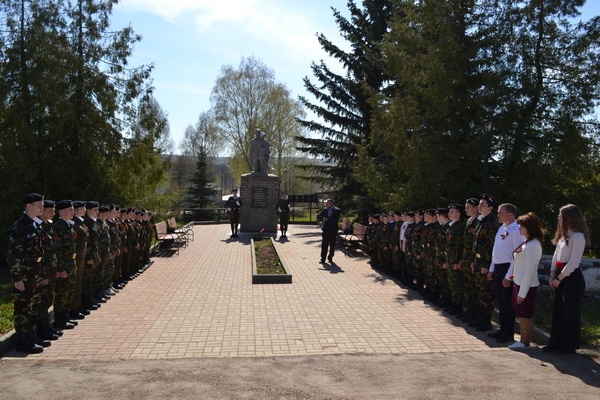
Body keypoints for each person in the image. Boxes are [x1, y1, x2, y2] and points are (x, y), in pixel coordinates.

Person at [544, 204, 590, 355]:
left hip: (571, 277)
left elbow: (573, 262)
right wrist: (552, 275)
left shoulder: (578, 236)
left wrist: (559, 278)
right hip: (559, 274)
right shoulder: (563, 237)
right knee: (558, 310)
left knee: (570, 312)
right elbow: (556, 257)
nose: (558, 218)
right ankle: (555, 342)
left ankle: (568, 345)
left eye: (561, 215)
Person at [7, 193, 46, 353]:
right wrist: (17, 278)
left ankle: (30, 336)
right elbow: (13, 255)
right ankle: (22, 341)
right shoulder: (20, 227)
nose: (42, 207)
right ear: (29, 206)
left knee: (33, 306)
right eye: (39, 205)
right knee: (23, 308)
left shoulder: (35, 224)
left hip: (34, 273)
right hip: (24, 275)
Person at [504, 212, 543, 349]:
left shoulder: (533, 245)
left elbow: (530, 270)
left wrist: (522, 292)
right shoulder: (526, 242)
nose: (519, 228)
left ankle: (526, 342)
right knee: (520, 314)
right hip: (519, 283)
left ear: (530, 227)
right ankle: (521, 340)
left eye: (522, 226)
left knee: (526, 314)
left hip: (527, 285)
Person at [487, 203, 525, 343]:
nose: (498, 215)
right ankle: (502, 328)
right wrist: (492, 269)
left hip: (508, 268)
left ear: (510, 214)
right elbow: (495, 252)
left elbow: (516, 255)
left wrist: (509, 276)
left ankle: (509, 332)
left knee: (508, 302)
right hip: (498, 267)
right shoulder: (501, 228)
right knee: (501, 302)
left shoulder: (517, 230)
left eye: (500, 213)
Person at [318, 198, 340, 263]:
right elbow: (318, 215)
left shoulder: (337, 210)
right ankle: (323, 258)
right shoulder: (325, 209)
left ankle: (330, 257)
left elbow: (335, 220)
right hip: (325, 229)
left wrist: (328, 220)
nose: (328, 204)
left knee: (332, 245)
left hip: (332, 230)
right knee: (324, 244)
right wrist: (322, 218)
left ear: (332, 203)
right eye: (327, 203)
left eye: (329, 203)